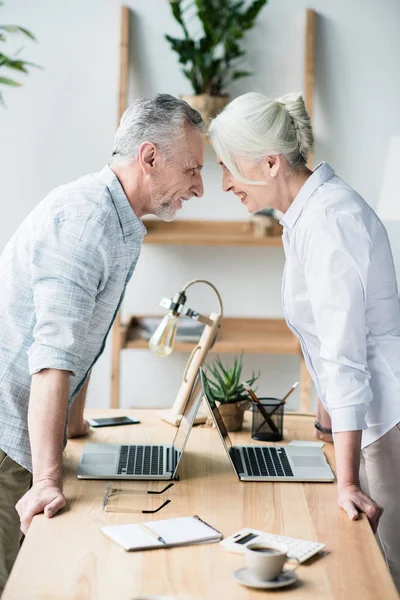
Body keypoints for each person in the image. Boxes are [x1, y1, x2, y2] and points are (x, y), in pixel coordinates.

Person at [0, 93, 204, 595]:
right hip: (7, 440)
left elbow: (86, 330)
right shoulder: (86, 222)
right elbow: (53, 358)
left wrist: (74, 424)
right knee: (16, 583)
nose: (199, 187)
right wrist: (48, 481)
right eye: (193, 170)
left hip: (33, 432)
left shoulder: (120, 220)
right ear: (150, 157)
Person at [208, 91, 400, 591]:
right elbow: (323, 342)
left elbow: (344, 356)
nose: (225, 182)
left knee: (384, 579)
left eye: (229, 167)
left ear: (270, 163)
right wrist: (324, 429)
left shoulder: (331, 221)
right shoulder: (304, 218)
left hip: (387, 426)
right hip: (365, 423)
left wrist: (348, 480)